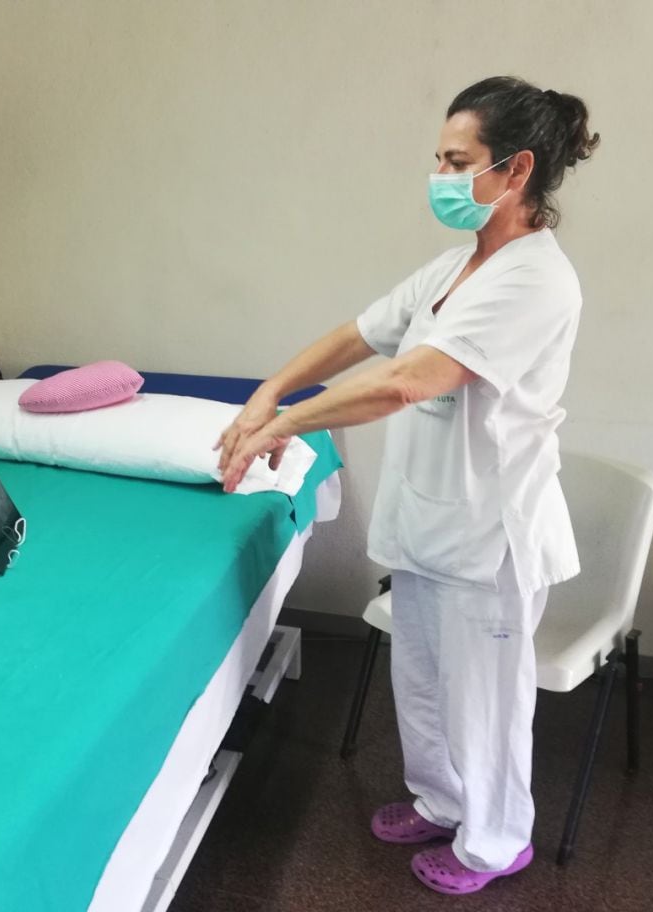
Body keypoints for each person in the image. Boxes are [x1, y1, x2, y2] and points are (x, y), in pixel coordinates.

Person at [216, 76, 599, 895]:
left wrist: (283, 426)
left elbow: (409, 380)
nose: (440, 175)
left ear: (517, 169)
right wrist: (265, 393)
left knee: (486, 707)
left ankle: (495, 841)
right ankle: (440, 799)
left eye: (458, 161)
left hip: (491, 535)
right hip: (431, 521)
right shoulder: (456, 267)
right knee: (420, 678)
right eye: (439, 158)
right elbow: (357, 337)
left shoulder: (536, 279)